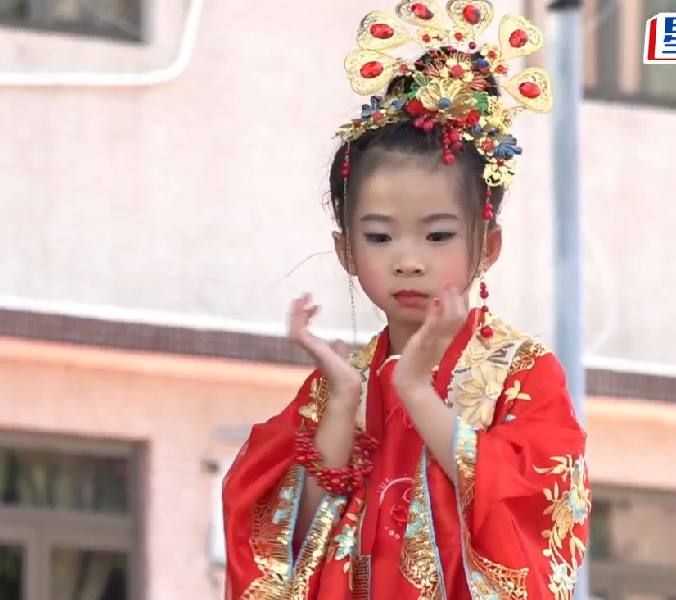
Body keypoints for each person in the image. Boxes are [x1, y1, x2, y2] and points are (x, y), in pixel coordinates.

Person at [222, 2, 591, 599]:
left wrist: (417, 391)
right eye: (379, 237)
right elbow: (291, 541)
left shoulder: (523, 373)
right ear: (345, 251)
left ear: (488, 246)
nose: (408, 260)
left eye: (437, 236)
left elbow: (531, 513)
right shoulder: (339, 384)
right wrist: (344, 398)